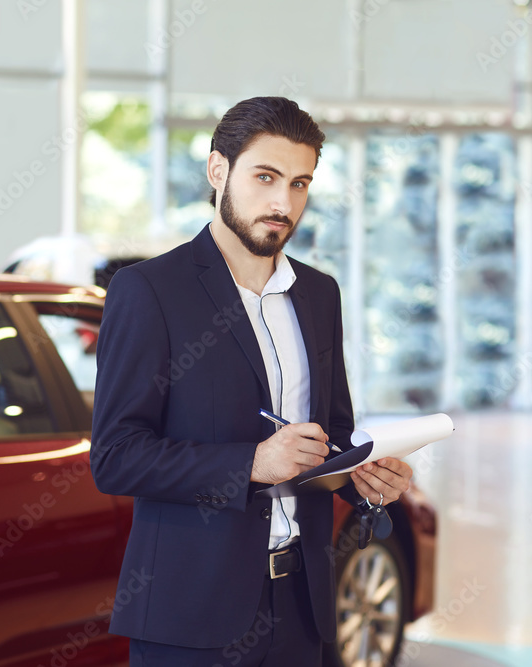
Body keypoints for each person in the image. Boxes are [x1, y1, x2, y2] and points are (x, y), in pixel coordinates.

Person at [91, 96, 413, 666]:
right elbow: (117, 457)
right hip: (192, 615)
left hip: (301, 606)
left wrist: (359, 473)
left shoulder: (319, 294)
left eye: (299, 183)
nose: (282, 202)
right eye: (265, 177)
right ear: (219, 171)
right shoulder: (150, 291)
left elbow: (331, 433)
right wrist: (251, 464)